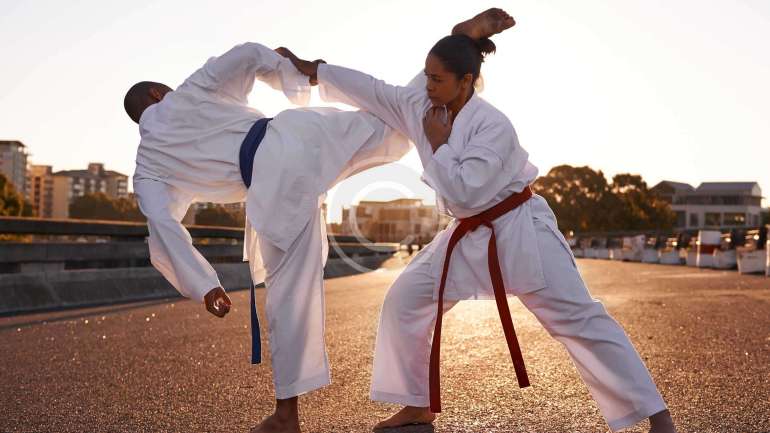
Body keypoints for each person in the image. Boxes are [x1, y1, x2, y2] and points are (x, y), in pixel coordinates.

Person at [281, 8, 678, 433]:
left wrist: (438, 144)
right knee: (405, 299)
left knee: (580, 320)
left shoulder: (494, 126)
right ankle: (417, 403)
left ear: (466, 81)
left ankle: (658, 416)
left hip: (521, 231)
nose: (427, 86)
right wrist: (315, 70)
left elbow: (465, 191)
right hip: (466, 237)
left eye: (437, 79)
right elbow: (373, 90)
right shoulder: (421, 103)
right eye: (426, 76)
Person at [124, 42, 413, 433]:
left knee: (289, 300)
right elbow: (246, 54)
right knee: (393, 121)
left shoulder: (148, 165)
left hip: (274, 193)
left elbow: (162, 222)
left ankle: (286, 417)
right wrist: (290, 71)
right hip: (295, 136)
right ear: (158, 95)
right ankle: (452, 83)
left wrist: (205, 284)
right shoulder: (190, 92)